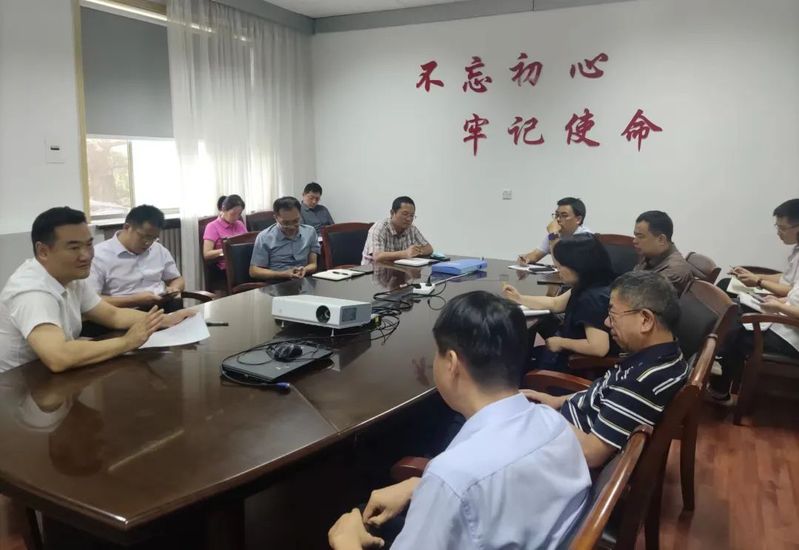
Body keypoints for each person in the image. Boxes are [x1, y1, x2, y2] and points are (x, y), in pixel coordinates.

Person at [328, 291, 590, 550]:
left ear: (452, 362)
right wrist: (420, 485)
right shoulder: (554, 423)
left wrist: (345, 542)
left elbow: (465, 484)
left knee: (350, 526)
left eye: (437, 352)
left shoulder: (453, 476)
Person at [523, 271, 687, 467]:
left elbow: (590, 454)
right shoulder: (662, 355)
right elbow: (602, 393)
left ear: (645, 320)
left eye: (612, 315)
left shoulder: (641, 381)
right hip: (568, 424)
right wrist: (556, 401)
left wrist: (542, 416)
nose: (607, 323)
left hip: (565, 452)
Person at [0, 207, 194, 373]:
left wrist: (166, 320)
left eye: (89, 245)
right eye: (74, 248)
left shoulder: (71, 277)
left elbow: (112, 315)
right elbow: (58, 357)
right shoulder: (31, 291)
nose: (86, 255)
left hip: (52, 375)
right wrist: (127, 342)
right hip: (19, 385)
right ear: (43, 251)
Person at [503, 234, 616, 371]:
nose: (558, 270)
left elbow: (598, 347)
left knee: (517, 364)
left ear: (579, 266)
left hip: (576, 367)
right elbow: (555, 303)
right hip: (568, 352)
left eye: (561, 266)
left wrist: (561, 343)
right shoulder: (592, 284)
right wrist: (519, 298)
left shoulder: (592, 299)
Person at [89, 205, 184, 310]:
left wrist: (174, 288)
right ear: (127, 227)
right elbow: (91, 300)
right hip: (123, 312)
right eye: (144, 236)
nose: (148, 242)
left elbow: (176, 279)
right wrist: (133, 300)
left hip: (163, 305)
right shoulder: (99, 255)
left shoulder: (158, 249)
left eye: (153, 238)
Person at [729, 199, 799, 297]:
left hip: (782, 302)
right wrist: (752, 276)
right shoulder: (796, 249)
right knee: (727, 283)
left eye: (783, 228)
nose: (778, 233)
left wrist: (758, 281)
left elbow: (794, 294)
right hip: (778, 298)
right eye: (777, 227)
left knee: (728, 293)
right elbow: (785, 279)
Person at [250, 197, 319, 280]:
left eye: (295, 221)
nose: (291, 227)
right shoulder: (264, 237)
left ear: (300, 215)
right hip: (277, 282)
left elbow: (313, 264)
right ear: (276, 218)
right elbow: (254, 271)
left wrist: (305, 269)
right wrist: (282, 274)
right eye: (286, 223)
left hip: (303, 279)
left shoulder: (310, 232)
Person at [632, 210, 694, 294]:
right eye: (635, 235)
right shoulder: (650, 255)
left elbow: (637, 295)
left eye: (640, 236)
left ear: (661, 239)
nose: (634, 241)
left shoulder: (674, 270)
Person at [518, 197, 593, 265]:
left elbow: (563, 267)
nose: (558, 219)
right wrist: (525, 258)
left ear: (578, 219)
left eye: (564, 215)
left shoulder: (586, 237)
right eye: (557, 215)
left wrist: (553, 234)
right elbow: (535, 255)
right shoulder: (556, 233)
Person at [362, 196, 433, 264]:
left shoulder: (411, 228)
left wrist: (416, 251)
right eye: (405, 214)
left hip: (397, 269)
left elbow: (429, 248)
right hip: (372, 270)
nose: (409, 219)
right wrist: (405, 253)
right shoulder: (379, 227)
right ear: (392, 213)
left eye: (412, 215)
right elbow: (377, 256)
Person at [203, 194, 247, 271]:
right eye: (233, 214)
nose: (236, 217)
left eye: (239, 214)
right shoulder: (212, 226)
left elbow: (248, 242)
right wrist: (227, 250)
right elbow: (207, 254)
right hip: (227, 268)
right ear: (223, 209)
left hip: (244, 263)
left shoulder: (240, 224)